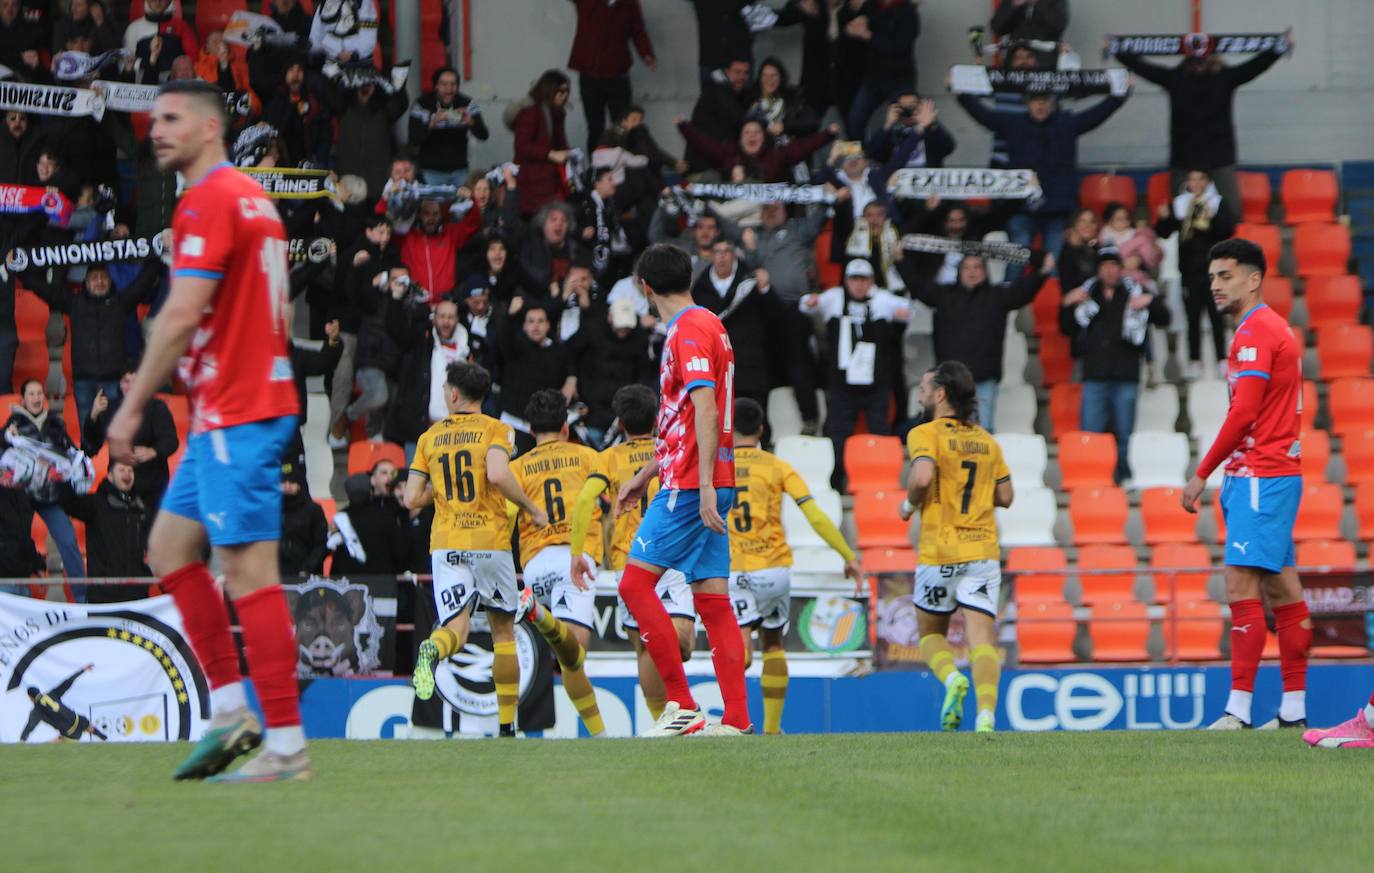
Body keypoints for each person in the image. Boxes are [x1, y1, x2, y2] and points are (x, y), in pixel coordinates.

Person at [105, 79, 308, 783]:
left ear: (210, 127)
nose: (154, 130)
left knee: (250, 573)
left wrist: (132, 407)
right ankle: (228, 708)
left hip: (240, 409)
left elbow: (183, 312)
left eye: (170, 118)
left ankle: (285, 744)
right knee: (168, 547)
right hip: (235, 405)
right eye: (152, 119)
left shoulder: (210, 199)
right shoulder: (253, 198)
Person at [615, 243, 749, 736]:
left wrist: (707, 485)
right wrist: (645, 473)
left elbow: (705, 407)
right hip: (706, 477)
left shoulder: (687, 330)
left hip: (695, 484)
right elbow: (685, 419)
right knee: (712, 599)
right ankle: (735, 718)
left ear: (645, 288)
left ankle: (682, 705)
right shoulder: (711, 323)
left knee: (633, 585)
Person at [1181, 238, 1308, 731]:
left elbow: (1245, 413)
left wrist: (1200, 473)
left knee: (1240, 585)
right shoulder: (1269, 329)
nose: (1214, 284)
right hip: (1262, 474)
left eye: (1225, 275)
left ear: (1253, 279)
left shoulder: (1256, 333)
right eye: (1212, 276)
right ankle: (1293, 709)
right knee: (1282, 586)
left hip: (1260, 473)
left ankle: (1238, 709)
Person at [406, 362, 548, 736]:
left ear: (454, 394)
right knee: (503, 633)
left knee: (457, 628)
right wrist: (533, 509)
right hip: (489, 540)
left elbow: (410, 499)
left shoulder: (428, 438)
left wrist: (441, 492)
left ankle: (433, 651)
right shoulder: (497, 430)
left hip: (446, 543)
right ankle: (506, 727)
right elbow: (498, 474)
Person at [727, 398, 861, 734]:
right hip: (772, 567)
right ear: (760, 429)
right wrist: (847, 554)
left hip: (731, 569)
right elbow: (814, 515)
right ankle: (772, 729)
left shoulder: (717, 466)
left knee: (736, 646)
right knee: (772, 643)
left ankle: (737, 718)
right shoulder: (777, 466)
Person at [899, 361, 1014, 733]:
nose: (919, 393)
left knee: (931, 634)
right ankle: (986, 716)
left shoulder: (924, 433)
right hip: (981, 551)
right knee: (982, 639)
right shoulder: (987, 440)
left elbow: (921, 476)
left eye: (923, 387)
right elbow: (1006, 496)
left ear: (940, 393)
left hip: (940, 550)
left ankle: (952, 679)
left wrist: (908, 504)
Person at [570, 384, 695, 722]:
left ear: (620, 424)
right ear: (657, 419)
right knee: (680, 642)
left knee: (646, 645)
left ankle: (663, 718)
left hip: (631, 563)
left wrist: (577, 551)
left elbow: (584, 501)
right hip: (672, 558)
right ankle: (672, 717)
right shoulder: (671, 449)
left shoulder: (608, 458)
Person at [1113, 30, 1292, 221]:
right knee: (1180, 214)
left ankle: (1227, 248)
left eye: (1203, 59)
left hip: (1219, 155)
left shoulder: (1224, 77)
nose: (1199, 64)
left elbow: (1254, 66)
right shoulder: (1177, 78)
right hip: (1184, 156)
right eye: (1195, 60)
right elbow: (1146, 69)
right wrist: (1119, 52)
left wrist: (1277, 50)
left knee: (1232, 213)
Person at [508, 390, 606, 737]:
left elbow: (506, 519)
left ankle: (600, 735)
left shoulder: (516, 469)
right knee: (575, 653)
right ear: (565, 428)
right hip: (574, 559)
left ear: (532, 432)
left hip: (535, 564)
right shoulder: (587, 457)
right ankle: (539, 614)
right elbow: (607, 499)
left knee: (569, 661)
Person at [955, 89, 1127, 265]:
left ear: (1052, 102)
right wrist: (961, 94)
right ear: (1027, 103)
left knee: (1054, 260)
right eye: (1036, 100)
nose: (1040, 104)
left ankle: (1051, 291)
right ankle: (1011, 289)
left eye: (1045, 100)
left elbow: (1095, 116)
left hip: (1058, 211)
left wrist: (1118, 96)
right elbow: (984, 116)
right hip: (1021, 209)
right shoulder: (1014, 124)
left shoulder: (1067, 123)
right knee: (1017, 257)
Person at [1059, 246, 1170, 483]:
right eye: (1104, 266)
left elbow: (1164, 318)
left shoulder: (1135, 292)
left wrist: (1151, 300)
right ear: (1098, 270)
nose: (1109, 270)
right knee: (1091, 432)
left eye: (1113, 265)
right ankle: (1091, 477)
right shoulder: (1086, 294)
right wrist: (1067, 304)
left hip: (1126, 373)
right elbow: (1066, 328)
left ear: (1120, 269)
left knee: (1123, 433)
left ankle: (1122, 476)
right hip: (1094, 374)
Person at [908, 253, 1055, 429]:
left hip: (985, 377)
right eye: (967, 268)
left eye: (977, 267)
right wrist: (901, 260)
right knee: (948, 432)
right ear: (959, 272)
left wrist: (1043, 271)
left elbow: (1023, 292)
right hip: (950, 380)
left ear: (985, 272)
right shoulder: (943, 295)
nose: (972, 272)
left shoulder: (997, 296)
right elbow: (917, 287)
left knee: (982, 433)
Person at [801, 259, 911, 491]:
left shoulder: (881, 300)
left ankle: (882, 480)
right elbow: (807, 306)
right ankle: (837, 482)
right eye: (854, 279)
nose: (859, 285)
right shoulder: (834, 298)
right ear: (846, 280)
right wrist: (810, 301)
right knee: (838, 436)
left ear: (871, 280)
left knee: (880, 434)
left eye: (864, 280)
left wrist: (901, 313)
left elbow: (906, 310)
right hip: (843, 385)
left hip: (876, 384)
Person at [3, 380, 87, 587]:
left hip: (50, 495)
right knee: (16, 540)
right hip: (21, 498)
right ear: (23, 399)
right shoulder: (11, 426)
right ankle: (21, 588)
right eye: (31, 394)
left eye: (39, 393)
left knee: (68, 540)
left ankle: (83, 597)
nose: (37, 398)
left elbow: (71, 456)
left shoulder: (56, 424)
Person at [1156, 169, 1236, 380]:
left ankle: (1221, 358)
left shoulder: (1217, 203)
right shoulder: (1180, 204)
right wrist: (1163, 218)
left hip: (1214, 270)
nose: (1196, 183)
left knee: (1216, 314)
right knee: (1192, 315)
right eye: (1192, 179)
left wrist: (1212, 218)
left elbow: (1227, 230)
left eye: (1201, 178)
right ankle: (1194, 359)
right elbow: (1164, 231)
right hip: (1189, 270)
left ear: (1208, 181)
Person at [82, 368, 179, 519]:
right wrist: (93, 415)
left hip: (152, 485)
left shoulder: (157, 407)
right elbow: (91, 444)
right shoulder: (112, 408)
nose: (131, 386)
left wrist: (153, 451)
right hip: (119, 483)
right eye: (126, 381)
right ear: (120, 385)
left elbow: (171, 441)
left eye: (136, 381)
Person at [567, 0, 655, 153]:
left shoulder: (629, 4)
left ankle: (623, 169)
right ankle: (597, 171)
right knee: (595, 128)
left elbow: (637, 30)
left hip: (618, 73)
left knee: (623, 127)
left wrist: (646, 54)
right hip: (590, 73)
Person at [59, 459, 150, 602]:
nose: (127, 474)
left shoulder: (141, 507)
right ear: (110, 476)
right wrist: (64, 475)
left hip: (137, 596)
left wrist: (146, 574)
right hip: (104, 596)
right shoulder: (96, 503)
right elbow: (69, 503)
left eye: (130, 471)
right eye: (121, 470)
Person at [845, 0, 921, 137]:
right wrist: (856, 23)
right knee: (855, 119)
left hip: (900, 79)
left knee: (907, 121)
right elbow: (850, 23)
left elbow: (899, 47)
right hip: (873, 78)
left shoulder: (908, 12)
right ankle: (858, 157)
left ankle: (904, 155)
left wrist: (867, 35)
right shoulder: (871, 6)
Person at [407, 66, 488, 188]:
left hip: (460, 171)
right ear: (436, 86)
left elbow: (484, 135)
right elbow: (413, 139)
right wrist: (432, 123)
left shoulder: (467, 103)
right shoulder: (422, 104)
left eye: (453, 84)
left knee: (462, 206)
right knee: (432, 207)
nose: (449, 89)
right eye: (444, 84)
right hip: (430, 172)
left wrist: (470, 121)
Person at [511, 70, 573, 218]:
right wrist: (550, 154)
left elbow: (561, 142)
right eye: (560, 91)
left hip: (549, 181)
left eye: (566, 92)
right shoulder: (531, 112)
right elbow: (522, 145)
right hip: (533, 182)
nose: (564, 96)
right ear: (549, 90)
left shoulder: (557, 113)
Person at [20, 665, 108, 741]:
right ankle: (106, 740)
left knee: (48, 747)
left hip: (70, 733)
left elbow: (29, 727)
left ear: (30, 697)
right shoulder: (52, 694)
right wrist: (82, 670)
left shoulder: (37, 711)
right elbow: (67, 682)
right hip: (78, 720)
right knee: (89, 727)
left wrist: (22, 739)